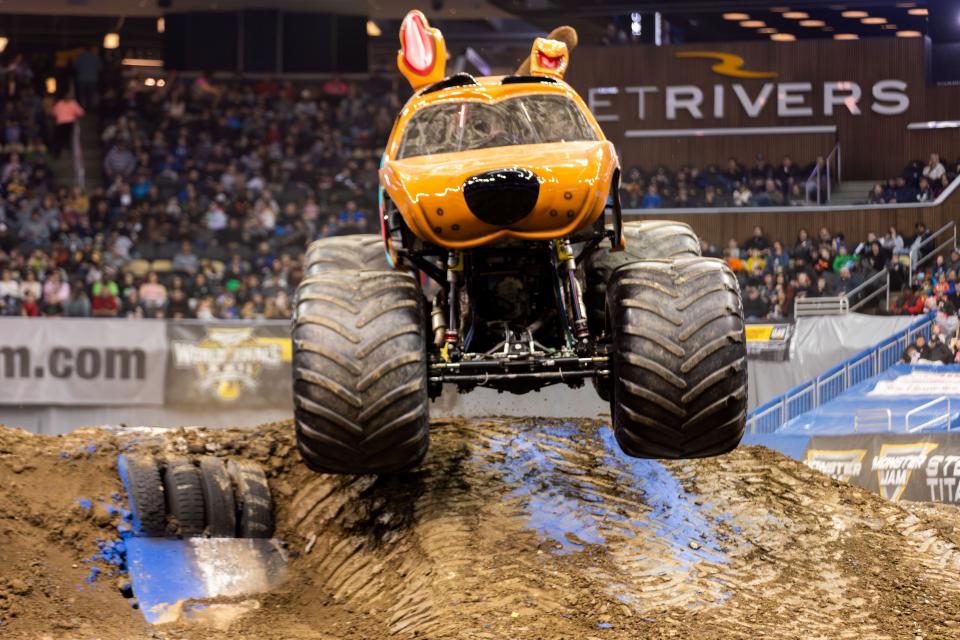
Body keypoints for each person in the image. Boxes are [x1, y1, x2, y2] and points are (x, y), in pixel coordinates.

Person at [51, 92, 86, 158]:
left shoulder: (73, 103)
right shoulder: (59, 104)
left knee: (69, 134)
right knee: (57, 137)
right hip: (61, 124)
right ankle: (57, 153)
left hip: (70, 123)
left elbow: (81, 113)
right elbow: (53, 113)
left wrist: (75, 115)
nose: (67, 98)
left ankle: (68, 147)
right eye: (66, 96)